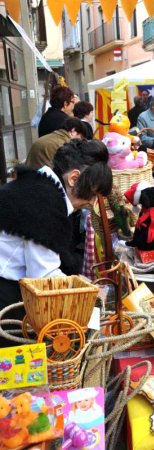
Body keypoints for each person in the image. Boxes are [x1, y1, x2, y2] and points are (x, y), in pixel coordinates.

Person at [0, 139, 112, 344]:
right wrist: (89, 297)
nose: (92, 202)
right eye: (93, 193)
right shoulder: (45, 204)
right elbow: (45, 278)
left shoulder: (40, 185)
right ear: (74, 178)